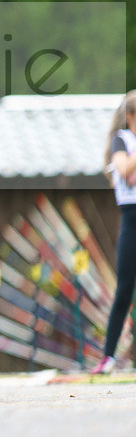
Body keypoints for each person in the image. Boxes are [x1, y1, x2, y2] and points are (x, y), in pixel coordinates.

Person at [92, 91, 136, 375]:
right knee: (124, 289)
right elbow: (124, 170)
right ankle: (108, 357)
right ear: (131, 116)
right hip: (131, 219)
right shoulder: (121, 140)